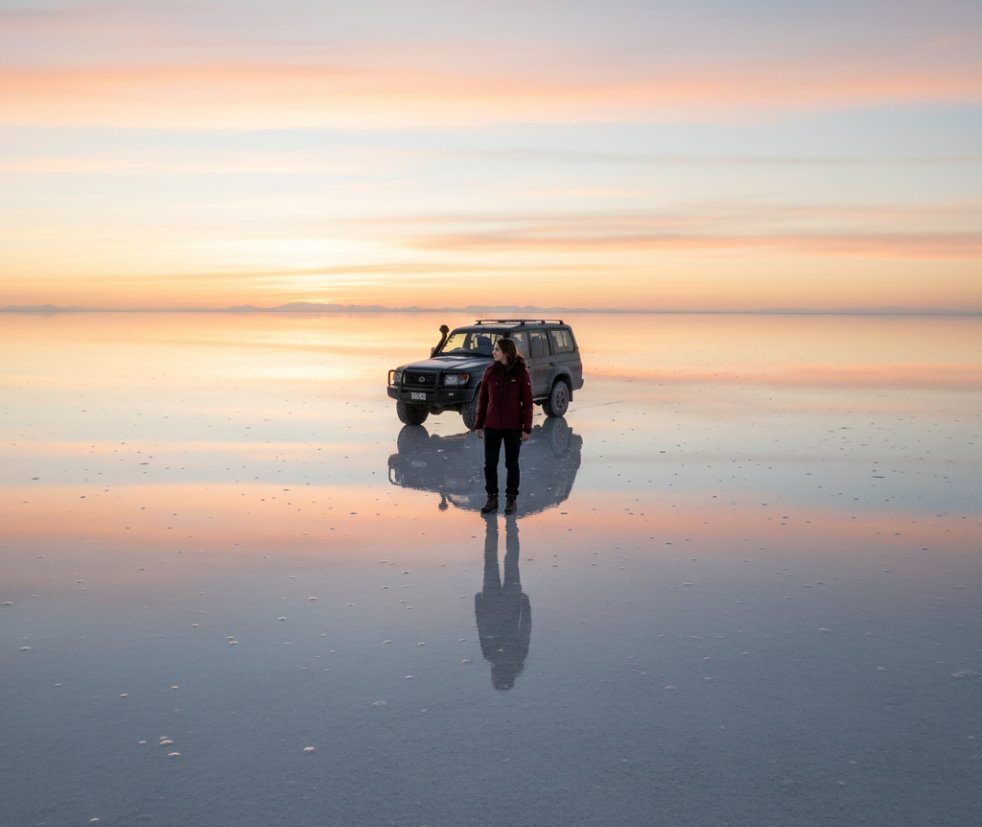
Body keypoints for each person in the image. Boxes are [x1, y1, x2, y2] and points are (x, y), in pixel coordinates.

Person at [475, 338, 533, 514]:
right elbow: (483, 399)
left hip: (513, 426)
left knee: (512, 464)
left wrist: (526, 427)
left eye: (497, 349)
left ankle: (511, 499)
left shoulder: (521, 372)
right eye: (494, 349)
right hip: (492, 425)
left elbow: (528, 401)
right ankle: (492, 499)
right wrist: (479, 424)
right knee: (490, 464)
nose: (493, 352)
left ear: (506, 352)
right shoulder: (490, 372)